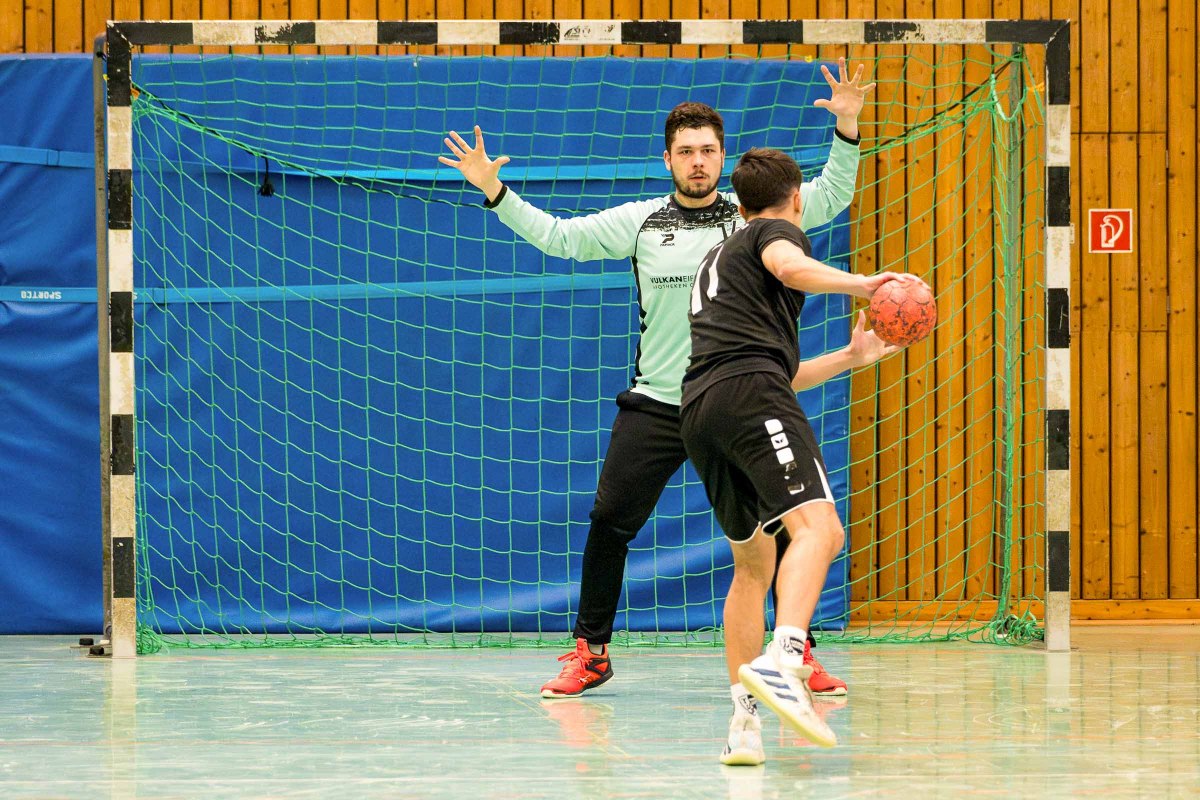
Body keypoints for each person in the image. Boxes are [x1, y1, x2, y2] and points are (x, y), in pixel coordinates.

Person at [438, 59, 877, 699]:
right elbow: (560, 237)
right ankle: (591, 653)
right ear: (667, 159)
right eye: (686, 152)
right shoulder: (642, 221)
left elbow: (830, 194)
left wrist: (846, 127)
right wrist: (495, 191)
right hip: (660, 402)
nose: (698, 162)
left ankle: (796, 651)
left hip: (738, 397)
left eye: (708, 151)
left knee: (788, 525)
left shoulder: (753, 223)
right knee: (610, 521)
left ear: (723, 157)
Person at [680, 146, 925, 763]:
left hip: (702, 409)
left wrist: (849, 357)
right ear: (795, 200)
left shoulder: (720, 258)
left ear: (738, 204)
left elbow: (778, 372)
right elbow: (790, 267)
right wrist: (866, 284)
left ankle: (743, 725)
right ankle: (786, 657)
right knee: (821, 529)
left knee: (752, 566)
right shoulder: (775, 234)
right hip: (749, 394)